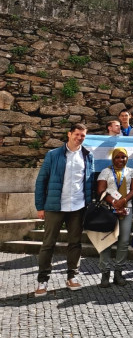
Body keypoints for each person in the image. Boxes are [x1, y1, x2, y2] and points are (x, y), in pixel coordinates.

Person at [34, 124, 94, 296]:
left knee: (75, 243)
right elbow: (41, 181)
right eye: (77, 134)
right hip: (55, 205)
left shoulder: (88, 156)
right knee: (48, 244)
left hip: (78, 206)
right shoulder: (53, 155)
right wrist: (40, 206)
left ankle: (72, 276)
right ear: (69, 134)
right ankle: (42, 280)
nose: (80, 138)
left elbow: (89, 182)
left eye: (83, 135)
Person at [95, 147, 133, 288]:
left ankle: (119, 272)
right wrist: (114, 202)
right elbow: (100, 190)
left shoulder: (132, 171)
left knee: (124, 241)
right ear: (113, 158)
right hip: (108, 209)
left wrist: (123, 201)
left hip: (126, 208)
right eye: (118, 157)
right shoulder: (106, 172)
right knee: (107, 241)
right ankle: (105, 273)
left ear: (127, 158)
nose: (121, 160)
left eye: (123, 157)